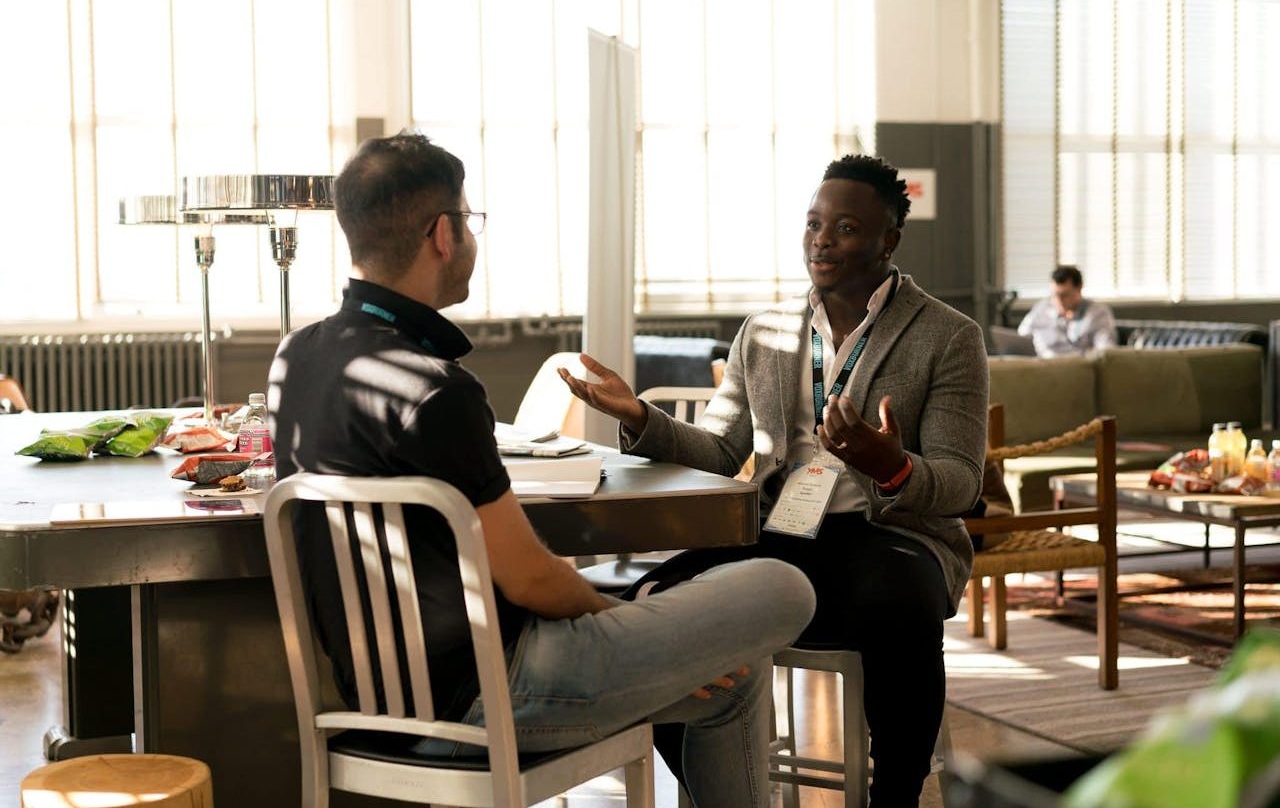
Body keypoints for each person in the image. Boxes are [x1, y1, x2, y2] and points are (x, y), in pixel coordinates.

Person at [268, 132, 815, 808]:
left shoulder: (297, 357)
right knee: (784, 586)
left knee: (735, 679)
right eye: (469, 220)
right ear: (443, 233)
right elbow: (528, 577)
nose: (470, 236)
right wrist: (622, 617)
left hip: (373, 699)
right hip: (494, 695)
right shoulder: (438, 389)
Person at [560, 154, 989, 806]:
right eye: (814, 224)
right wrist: (640, 417)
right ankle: (720, 791)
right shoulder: (763, 332)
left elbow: (962, 481)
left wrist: (890, 465)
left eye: (845, 227)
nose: (822, 239)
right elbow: (723, 448)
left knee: (899, 597)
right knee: (653, 602)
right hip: (782, 531)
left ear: (888, 240)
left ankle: (895, 795)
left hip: (892, 537)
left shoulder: (948, 336)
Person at [1017, 265, 1117, 357]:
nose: (1059, 301)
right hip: (1042, 366)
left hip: (1076, 367)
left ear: (1079, 288)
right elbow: (1020, 338)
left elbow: (1105, 351)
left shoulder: (1097, 313)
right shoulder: (1041, 309)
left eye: (1064, 295)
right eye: (1055, 295)